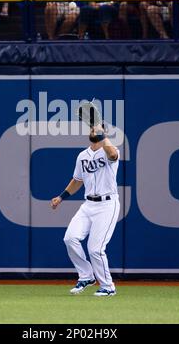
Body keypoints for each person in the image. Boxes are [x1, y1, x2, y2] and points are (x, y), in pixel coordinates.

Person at [51, 124, 120, 297]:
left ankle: (108, 286)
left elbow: (112, 155)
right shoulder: (82, 155)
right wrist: (61, 197)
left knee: (95, 249)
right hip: (88, 204)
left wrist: (102, 135)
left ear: (104, 133)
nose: (93, 130)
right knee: (70, 238)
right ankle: (86, 276)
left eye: (96, 128)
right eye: (92, 128)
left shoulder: (110, 150)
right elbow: (77, 180)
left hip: (107, 204)